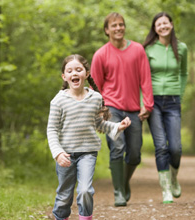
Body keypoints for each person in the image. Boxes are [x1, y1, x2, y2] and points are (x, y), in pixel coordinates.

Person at [47, 54, 132, 220]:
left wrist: (117, 126)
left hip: (88, 152)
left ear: (86, 74)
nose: (74, 73)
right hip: (66, 155)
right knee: (64, 195)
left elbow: (98, 124)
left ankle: (85, 217)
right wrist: (57, 153)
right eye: (70, 71)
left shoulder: (95, 98)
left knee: (85, 190)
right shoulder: (58, 101)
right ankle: (60, 217)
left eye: (79, 70)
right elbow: (51, 129)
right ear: (64, 76)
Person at [90, 12, 154, 207]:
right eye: (114, 25)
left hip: (134, 109)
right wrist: (99, 111)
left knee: (134, 153)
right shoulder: (101, 54)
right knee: (117, 148)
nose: (118, 28)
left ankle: (123, 182)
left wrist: (148, 104)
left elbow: (145, 78)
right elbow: (95, 86)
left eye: (121, 24)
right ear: (107, 30)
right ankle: (118, 191)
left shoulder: (137, 50)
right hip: (111, 108)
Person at [142, 12, 188, 204]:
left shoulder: (182, 48)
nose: (162, 27)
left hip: (173, 101)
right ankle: (166, 189)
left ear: (171, 24)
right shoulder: (148, 49)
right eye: (158, 24)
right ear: (154, 28)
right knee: (161, 146)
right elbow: (142, 76)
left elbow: (184, 73)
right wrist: (143, 102)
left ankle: (174, 177)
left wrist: (180, 93)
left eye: (165, 23)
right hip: (153, 102)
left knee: (175, 148)